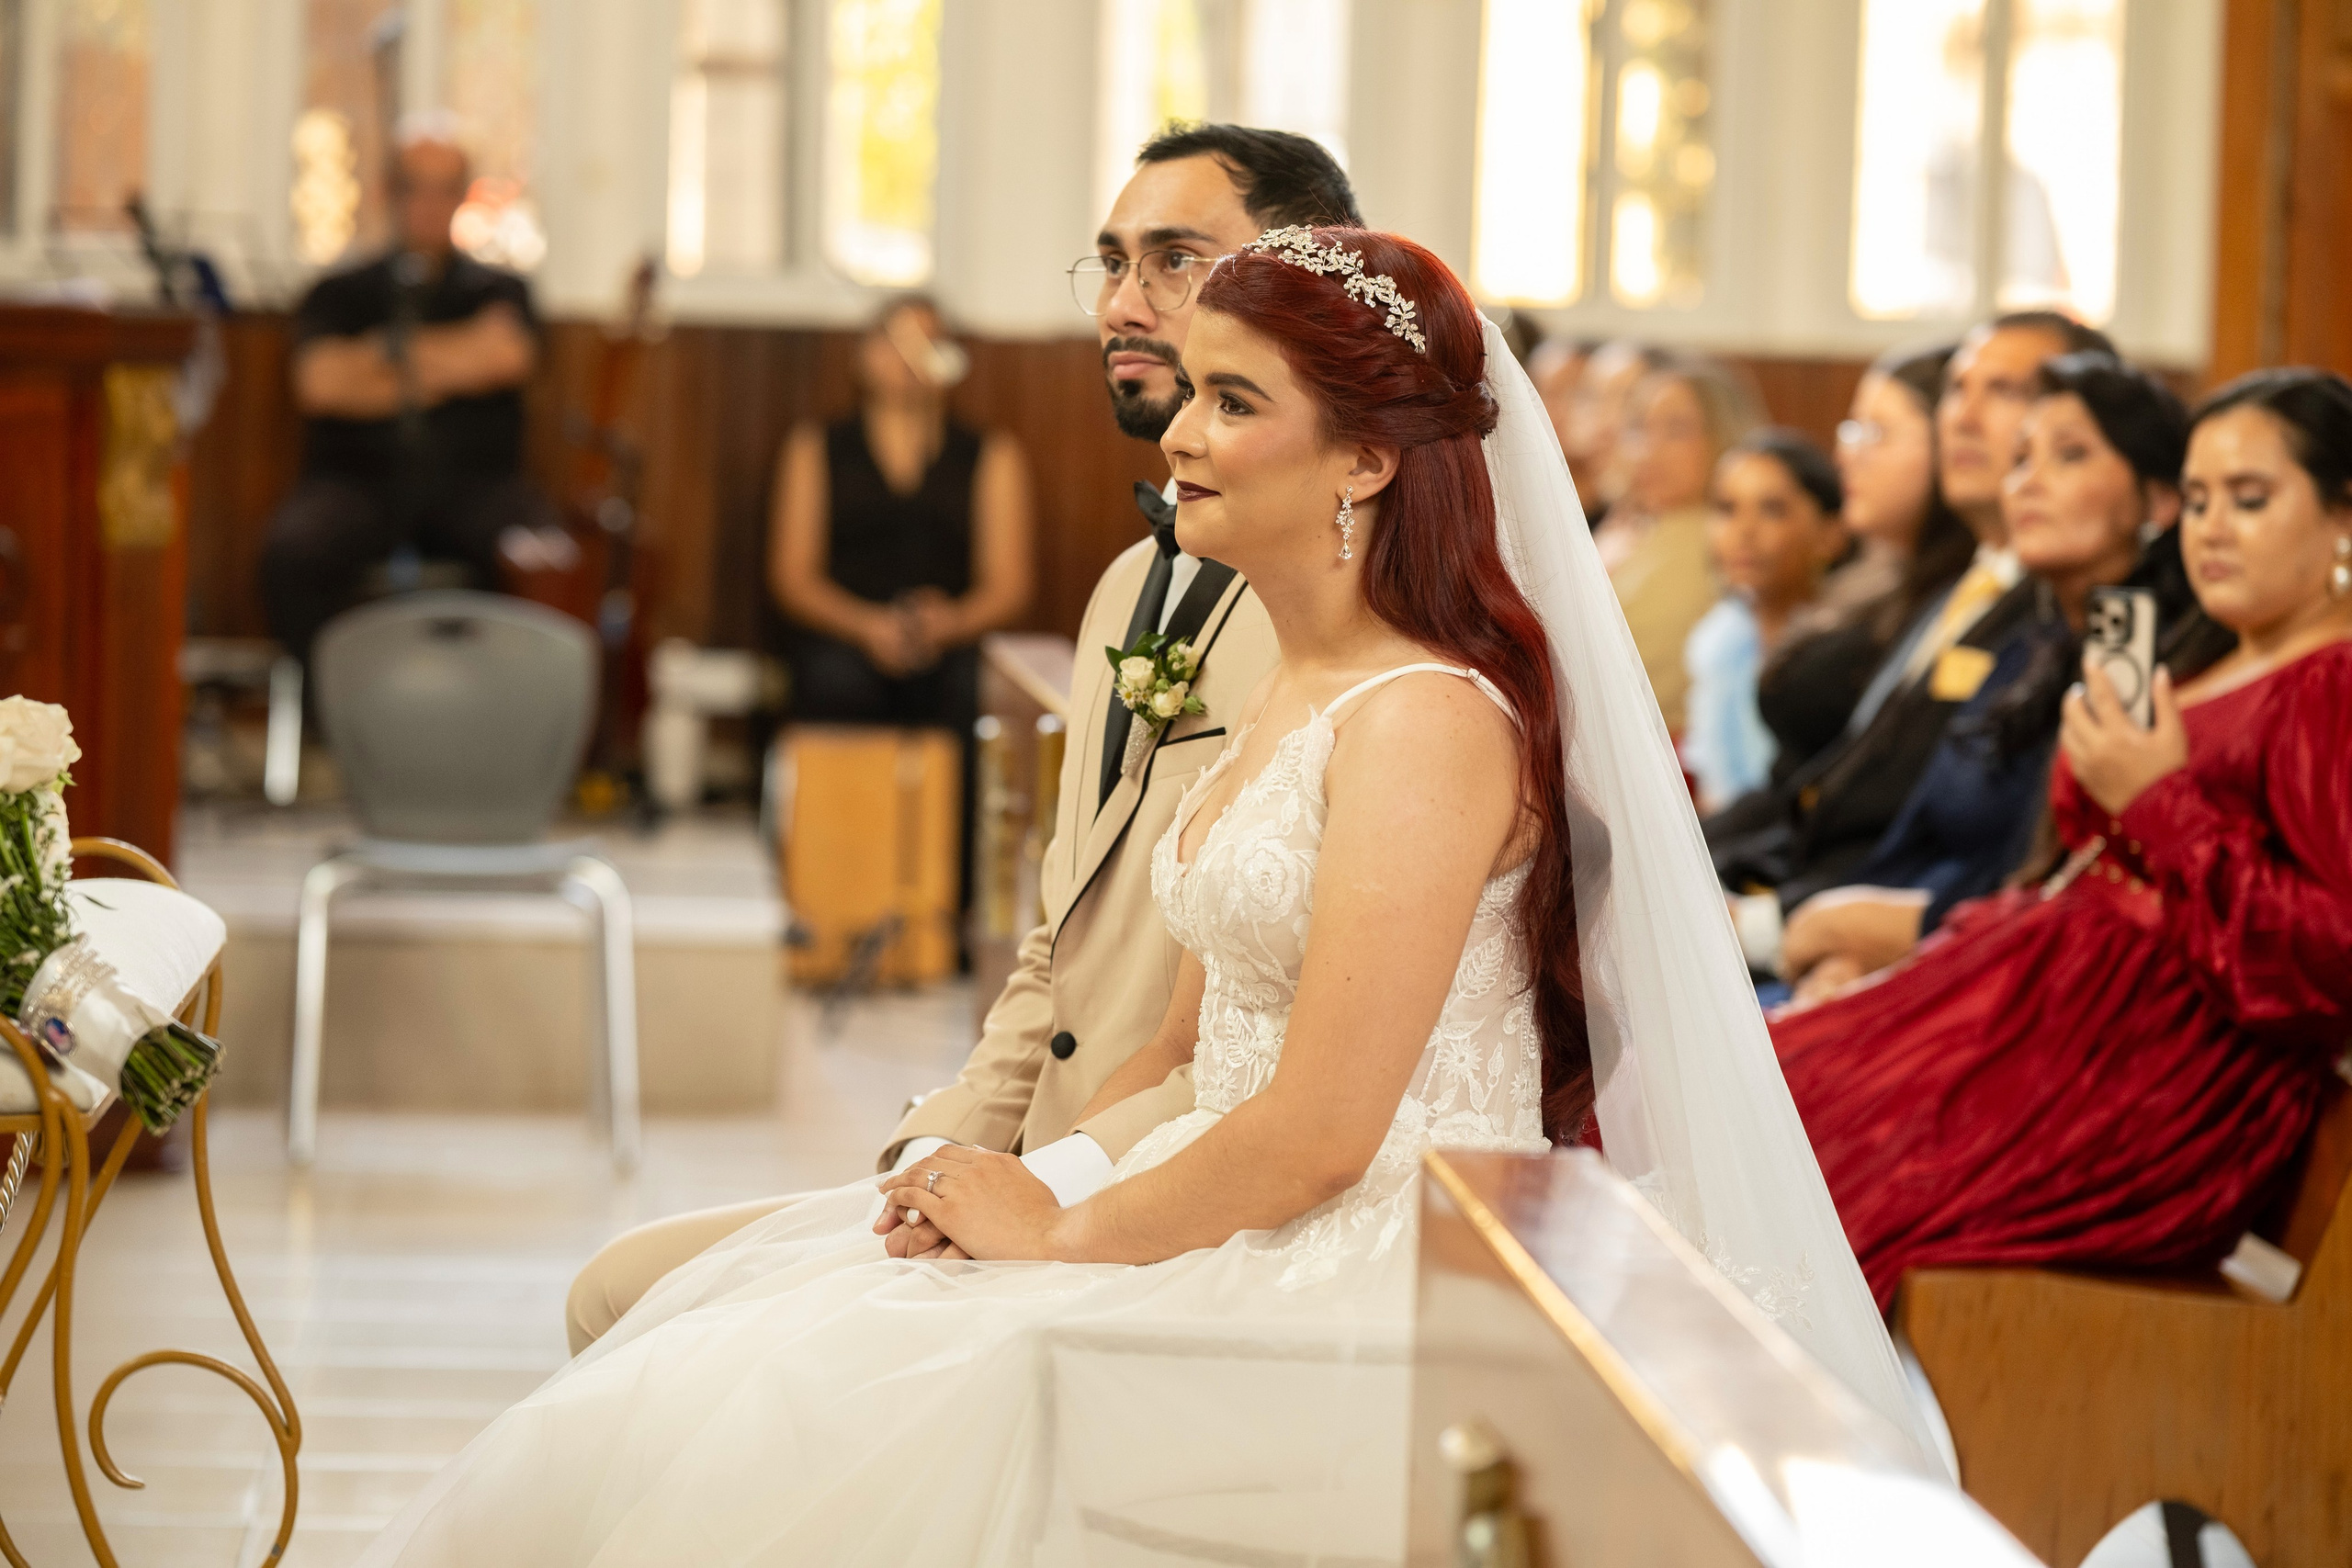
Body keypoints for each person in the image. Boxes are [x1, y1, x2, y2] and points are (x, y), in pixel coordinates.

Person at [359, 231, 1931, 1565]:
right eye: (1189, 391)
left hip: (1362, 1256)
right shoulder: (1288, 686)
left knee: (796, 1404)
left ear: (1369, 459)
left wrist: (1062, 1233)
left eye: (1235, 401)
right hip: (1202, 1178)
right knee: (756, 1326)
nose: (1177, 432)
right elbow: (1182, 1054)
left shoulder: (1428, 722)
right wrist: (1021, 1178)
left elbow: (1322, 1125)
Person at [563, 123, 1354, 1345]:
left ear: (1303, 283)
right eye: (1109, 263)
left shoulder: (1344, 629)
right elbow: (1060, 945)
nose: (1123, 303)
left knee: (650, 1329)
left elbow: (1275, 1050)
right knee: (620, 1284)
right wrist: (941, 1146)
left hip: (1161, 1204)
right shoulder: (1118, 596)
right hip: (1030, 1162)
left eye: (1175, 261)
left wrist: (1056, 1186)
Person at [1773, 367, 2352, 1308]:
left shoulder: (2329, 685)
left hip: (2142, 1073)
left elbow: (2330, 959)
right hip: (2045, 1005)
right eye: (2199, 500)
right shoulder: (2208, 647)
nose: (2208, 526)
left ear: (2341, 518)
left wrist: (2157, 800)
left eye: (2249, 499)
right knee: (1752, 1102)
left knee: (1818, 1180)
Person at [1780, 353, 2193, 1002]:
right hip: (1903, 954)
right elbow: (1913, 836)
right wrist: (1840, 952)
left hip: (2009, 986)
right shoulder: (2030, 641)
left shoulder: (2151, 670)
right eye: (2023, 458)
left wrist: (1854, 932)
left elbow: (2058, 890)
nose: (2027, 481)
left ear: (2161, 501)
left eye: (2070, 455)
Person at [1708, 312, 2112, 961]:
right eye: (1957, 390)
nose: (1965, 418)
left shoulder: (2057, 615)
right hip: (1804, 900)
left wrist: (1773, 928)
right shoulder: (1959, 589)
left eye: (2007, 391)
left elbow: (1972, 852)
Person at [259, 118, 548, 665]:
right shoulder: (339, 291)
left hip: (476, 487)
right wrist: (460, 358)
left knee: (543, 559)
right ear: (387, 193)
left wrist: (379, 361)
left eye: (445, 188)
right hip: (357, 486)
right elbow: (321, 384)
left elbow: (506, 357)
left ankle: (502, 719)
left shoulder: (502, 289)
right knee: (293, 551)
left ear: (465, 196)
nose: (428, 204)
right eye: (413, 186)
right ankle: (337, 717)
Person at [769, 296, 1035, 736]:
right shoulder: (813, 448)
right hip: (845, 635)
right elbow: (793, 578)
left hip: (952, 641)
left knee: (973, 690)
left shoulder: (993, 455)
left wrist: (950, 624)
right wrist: (867, 627)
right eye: (897, 341)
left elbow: (1009, 585)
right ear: (863, 356)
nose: (911, 358)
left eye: (930, 343)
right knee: (833, 680)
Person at [1746, 346, 1974, 790]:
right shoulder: (1868, 577)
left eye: (1876, 432)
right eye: (1853, 431)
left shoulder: (1952, 599)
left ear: (1950, 445)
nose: (1845, 456)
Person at [1681, 430, 1849, 811]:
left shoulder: (1846, 648)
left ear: (1830, 534)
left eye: (1772, 509)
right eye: (1726, 509)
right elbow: (1712, 792)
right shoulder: (1717, 640)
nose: (1744, 531)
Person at [1605, 355, 1764, 733]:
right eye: (1639, 428)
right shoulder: (1638, 525)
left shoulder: (1720, 541)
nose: (1649, 448)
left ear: (1724, 435)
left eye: (1676, 430)